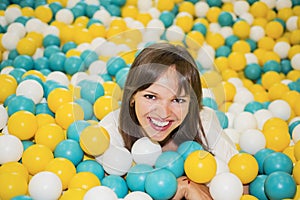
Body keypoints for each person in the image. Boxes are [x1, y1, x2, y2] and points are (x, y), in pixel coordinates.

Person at [99, 42, 238, 199]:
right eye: (151, 97)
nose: (164, 113)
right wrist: (178, 190)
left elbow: (242, 184)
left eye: (177, 100)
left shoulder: (204, 123)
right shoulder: (109, 133)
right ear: (132, 96)